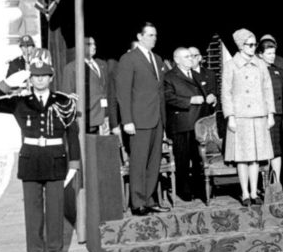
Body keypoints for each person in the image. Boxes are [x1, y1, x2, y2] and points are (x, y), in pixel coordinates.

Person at [0, 62, 79, 252]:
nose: (40, 80)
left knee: (55, 209)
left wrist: (74, 163)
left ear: (51, 78)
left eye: (44, 76)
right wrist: (7, 84)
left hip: (56, 159)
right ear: (30, 79)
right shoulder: (20, 102)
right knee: (33, 211)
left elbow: (72, 133)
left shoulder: (63, 101)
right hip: (31, 160)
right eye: (36, 76)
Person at [115, 22, 168, 216]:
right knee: (138, 161)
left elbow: (160, 92)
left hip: (156, 119)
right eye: (150, 35)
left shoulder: (158, 59)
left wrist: (164, 120)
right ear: (140, 37)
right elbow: (123, 92)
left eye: (155, 35)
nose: (154, 38)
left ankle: (150, 199)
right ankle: (137, 202)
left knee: (154, 162)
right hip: (139, 120)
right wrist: (127, 120)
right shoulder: (129, 59)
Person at [221, 29, 275, 206]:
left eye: (255, 45)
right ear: (240, 45)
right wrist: (230, 116)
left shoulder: (260, 64)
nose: (253, 48)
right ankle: (244, 193)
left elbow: (268, 89)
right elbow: (226, 93)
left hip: (258, 116)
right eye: (249, 45)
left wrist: (270, 114)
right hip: (240, 116)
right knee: (242, 157)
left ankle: (254, 192)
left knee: (255, 157)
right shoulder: (230, 65)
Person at [162, 47, 211, 203]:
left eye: (191, 56)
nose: (191, 59)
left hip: (198, 123)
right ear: (177, 60)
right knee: (183, 159)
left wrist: (209, 96)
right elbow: (168, 97)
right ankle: (185, 190)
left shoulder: (196, 75)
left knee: (198, 159)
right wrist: (189, 101)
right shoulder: (169, 77)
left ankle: (199, 189)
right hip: (181, 123)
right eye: (186, 56)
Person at [257, 36, 283, 191]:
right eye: (269, 53)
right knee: (264, 150)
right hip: (261, 116)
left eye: (273, 53)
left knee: (276, 149)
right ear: (260, 54)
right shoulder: (255, 71)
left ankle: (276, 182)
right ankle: (263, 183)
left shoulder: (278, 71)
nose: (273, 56)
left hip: (277, 115)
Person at [60, 36, 112, 135]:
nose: (94, 47)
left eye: (94, 44)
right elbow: (67, 95)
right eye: (89, 44)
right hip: (86, 119)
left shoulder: (101, 65)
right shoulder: (71, 68)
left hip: (103, 117)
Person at [188, 46, 219, 118]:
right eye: (187, 56)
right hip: (190, 117)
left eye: (192, 56)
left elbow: (215, 92)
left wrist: (213, 96)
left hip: (207, 116)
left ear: (199, 58)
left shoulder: (210, 74)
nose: (189, 59)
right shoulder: (183, 75)